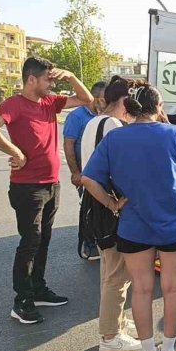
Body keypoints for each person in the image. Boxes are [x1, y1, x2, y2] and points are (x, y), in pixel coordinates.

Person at [81, 84, 176, 351]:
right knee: (172, 287)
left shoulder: (116, 138)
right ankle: (168, 350)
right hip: (174, 222)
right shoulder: (174, 133)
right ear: (158, 106)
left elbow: (89, 179)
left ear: (130, 107)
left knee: (141, 290)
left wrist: (113, 203)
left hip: (134, 224)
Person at [0, 57, 94, 325]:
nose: (52, 83)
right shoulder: (14, 104)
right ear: (32, 79)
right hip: (27, 187)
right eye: (48, 79)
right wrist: (15, 151)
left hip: (52, 183)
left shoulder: (50, 103)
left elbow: (87, 100)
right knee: (30, 242)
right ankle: (22, 301)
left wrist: (72, 77)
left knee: (43, 240)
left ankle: (38, 289)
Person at [79, 77, 141, 351]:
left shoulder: (94, 122)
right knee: (118, 275)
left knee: (109, 271)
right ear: (125, 101)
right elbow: (115, 171)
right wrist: (116, 203)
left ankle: (116, 325)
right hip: (107, 206)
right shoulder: (114, 127)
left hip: (92, 206)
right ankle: (110, 337)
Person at [64, 81, 107, 259]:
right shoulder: (77, 116)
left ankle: (102, 240)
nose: (107, 103)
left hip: (103, 172)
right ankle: (89, 244)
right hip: (85, 172)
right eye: (105, 99)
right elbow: (69, 145)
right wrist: (75, 172)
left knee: (102, 207)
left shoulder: (104, 115)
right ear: (97, 98)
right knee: (88, 207)